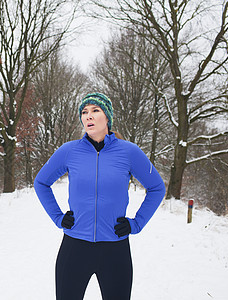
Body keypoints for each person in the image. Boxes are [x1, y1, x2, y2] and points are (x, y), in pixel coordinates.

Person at [34, 92, 166, 300]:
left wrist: (136, 224)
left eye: (95, 110)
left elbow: (157, 188)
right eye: (84, 112)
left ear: (108, 118)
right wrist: (58, 218)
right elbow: (41, 183)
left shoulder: (129, 152)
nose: (89, 116)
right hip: (74, 248)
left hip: (115, 249)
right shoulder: (69, 151)